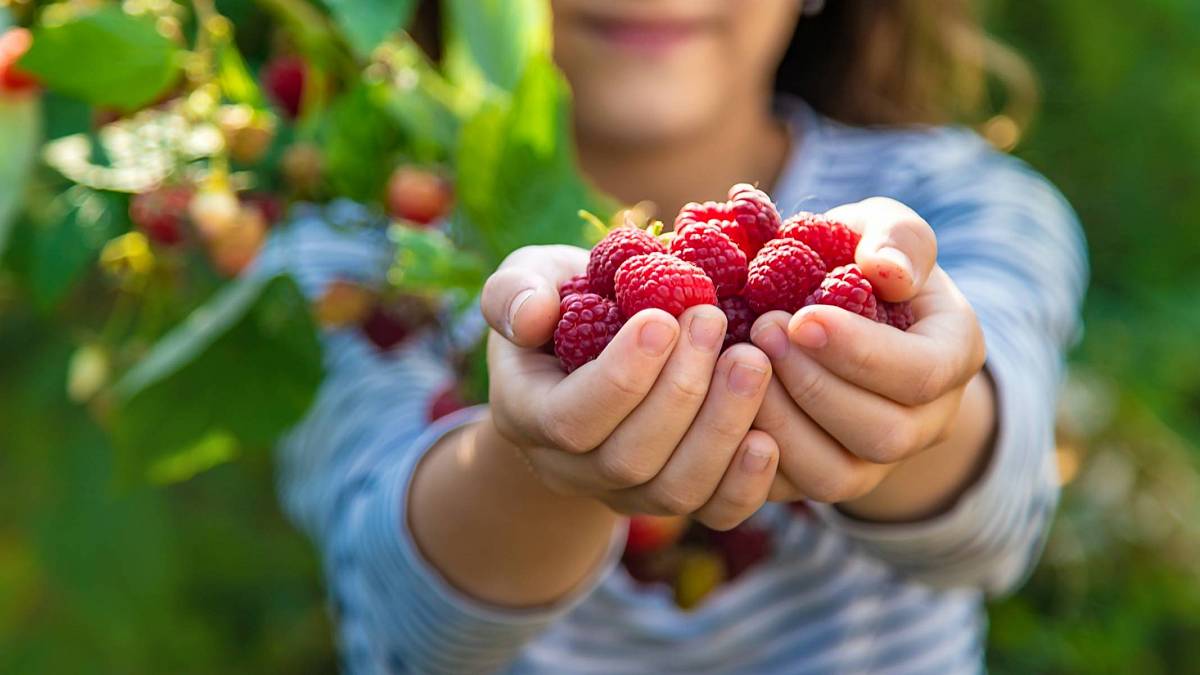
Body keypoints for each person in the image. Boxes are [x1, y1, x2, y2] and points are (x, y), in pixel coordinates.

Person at [258, 0, 1088, 672]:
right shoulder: (364, 256)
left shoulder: (963, 202)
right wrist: (538, 456)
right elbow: (405, 624)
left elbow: (996, 528)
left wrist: (917, 407)